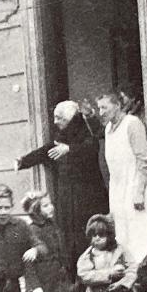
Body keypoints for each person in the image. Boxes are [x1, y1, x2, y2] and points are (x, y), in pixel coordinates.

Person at [16, 100, 107, 267]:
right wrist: (23, 161)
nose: (55, 122)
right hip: (67, 195)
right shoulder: (62, 134)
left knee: (86, 234)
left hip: (87, 196)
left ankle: (86, 275)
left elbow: (92, 146)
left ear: (71, 118)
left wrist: (69, 149)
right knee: (67, 235)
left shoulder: (85, 129)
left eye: (59, 118)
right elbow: (47, 150)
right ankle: (73, 273)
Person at [97, 91, 147, 260]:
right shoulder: (108, 128)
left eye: (104, 107)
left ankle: (143, 274)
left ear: (117, 106)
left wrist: (138, 192)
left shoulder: (132, 123)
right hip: (117, 188)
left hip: (134, 185)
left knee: (139, 231)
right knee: (122, 232)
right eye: (99, 108)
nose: (101, 112)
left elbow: (144, 160)